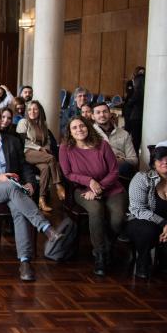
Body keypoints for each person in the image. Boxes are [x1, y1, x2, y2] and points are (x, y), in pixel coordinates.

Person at [0, 105, 63, 281]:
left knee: (18, 210)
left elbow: (25, 166)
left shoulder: (13, 141)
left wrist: (31, 183)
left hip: (15, 189)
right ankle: (46, 228)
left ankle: (25, 263)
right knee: (11, 187)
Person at [59, 116, 127, 276]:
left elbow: (114, 171)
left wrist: (99, 187)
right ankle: (100, 254)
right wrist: (89, 181)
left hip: (111, 188)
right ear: (69, 132)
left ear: (88, 127)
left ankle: (108, 245)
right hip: (82, 190)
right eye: (74, 128)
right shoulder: (65, 148)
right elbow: (68, 173)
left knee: (117, 220)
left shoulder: (102, 145)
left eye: (81, 126)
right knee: (96, 210)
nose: (79, 130)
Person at [126, 146, 167, 279]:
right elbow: (137, 209)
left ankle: (164, 259)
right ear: (153, 163)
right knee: (147, 231)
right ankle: (143, 260)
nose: (165, 162)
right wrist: (165, 224)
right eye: (160, 159)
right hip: (145, 222)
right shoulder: (142, 178)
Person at [16, 101, 65, 212]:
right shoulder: (23, 122)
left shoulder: (43, 124)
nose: (32, 111)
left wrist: (46, 149)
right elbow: (22, 141)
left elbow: (47, 141)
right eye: (29, 109)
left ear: (40, 111)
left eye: (35, 109)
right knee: (52, 158)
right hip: (27, 152)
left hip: (40, 154)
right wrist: (40, 149)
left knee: (46, 168)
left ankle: (41, 200)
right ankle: (58, 185)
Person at [92, 102, 138, 179]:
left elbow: (134, 160)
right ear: (93, 116)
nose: (102, 115)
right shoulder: (89, 134)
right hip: (99, 169)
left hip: (121, 169)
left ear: (110, 114)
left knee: (127, 169)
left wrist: (120, 160)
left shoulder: (124, 134)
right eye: (98, 112)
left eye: (105, 111)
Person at [124, 66, 145, 152]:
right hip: (131, 113)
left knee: (136, 139)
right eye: (140, 73)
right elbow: (129, 95)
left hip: (136, 115)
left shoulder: (141, 87)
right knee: (129, 133)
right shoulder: (132, 83)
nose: (142, 75)